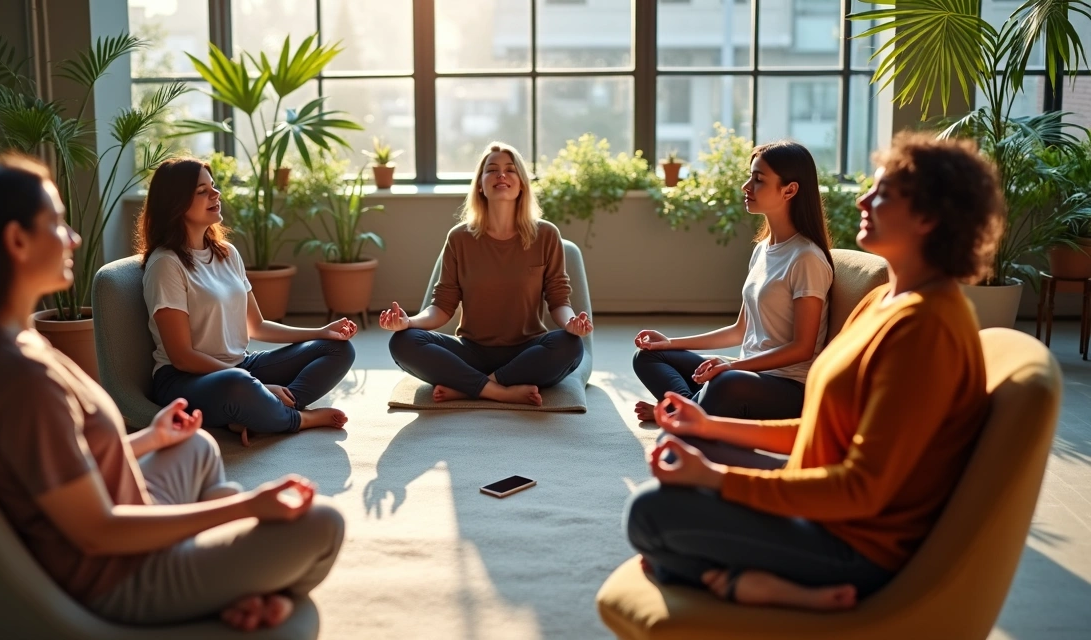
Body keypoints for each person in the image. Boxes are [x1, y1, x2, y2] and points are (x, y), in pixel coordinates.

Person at [0, 156, 344, 631]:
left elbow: (56, 468)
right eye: (57, 224)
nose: (73, 238)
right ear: (16, 241)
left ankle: (231, 586)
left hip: (128, 530)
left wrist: (150, 440)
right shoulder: (17, 379)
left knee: (197, 446)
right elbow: (97, 532)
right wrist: (248, 506)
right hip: (124, 576)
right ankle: (235, 587)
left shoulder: (0, 347)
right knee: (323, 524)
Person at [623, 132, 1003, 610]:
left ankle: (741, 583)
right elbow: (826, 429)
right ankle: (722, 574)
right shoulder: (882, 303)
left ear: (927, 217)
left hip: (854, 545)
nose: (863, 197)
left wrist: (719, 479)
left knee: (649, 516)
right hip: (820, 501)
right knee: (682, 451)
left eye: (882, 192)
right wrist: (709, 424)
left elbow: (862, 490)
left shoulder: (927, 329)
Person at [140, 157, 356, 446]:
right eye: (202, 191)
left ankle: (259, 413)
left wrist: (320, 331)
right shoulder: (166, 264)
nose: (215, 194)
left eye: (213, 186)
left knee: (339, 349)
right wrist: (261, 387)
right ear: (175, 203)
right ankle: (298, 419)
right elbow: (182, 356)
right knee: (240, 385)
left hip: (241, 365)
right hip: (185, 379)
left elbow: (257, 326)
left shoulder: (226, 253)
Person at [632, 141, 833, 422]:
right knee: (647, 357)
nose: (746, 186)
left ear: (790, 190)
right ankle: (688, 410)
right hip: (747, 373)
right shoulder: (762, 249)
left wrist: (731, 367)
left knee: (724, 383)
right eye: (750, 176)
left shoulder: (806, 258)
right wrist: (668, 344)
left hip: (786, 388)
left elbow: (803, 348)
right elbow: (740, 331)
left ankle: (679, 412)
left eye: (759, 179)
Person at [380, 141, 591, 407]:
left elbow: (559, 301)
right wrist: (407, 323)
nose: (501, 175)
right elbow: (442, 307)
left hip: (527, 350)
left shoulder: (546, 235)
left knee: (570, 346)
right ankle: (500, 390)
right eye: (492, 169)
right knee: (403, 343)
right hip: (471, 350)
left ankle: (470, 387)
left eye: (510, 170)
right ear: (480, 184)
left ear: (522, 183)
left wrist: (572, 323)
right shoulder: (459, 238)